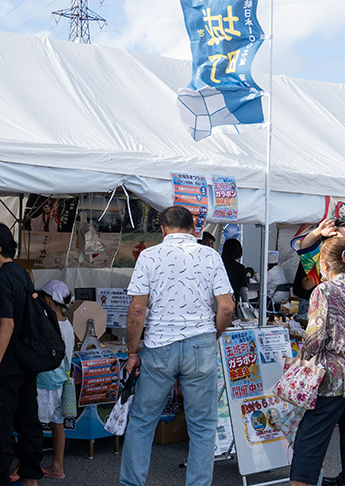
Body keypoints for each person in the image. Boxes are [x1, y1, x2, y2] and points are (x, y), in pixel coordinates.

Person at [120, 206, 234, 486]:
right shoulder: (210, 256)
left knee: (143, 422)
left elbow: (137, 311)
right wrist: (213, 335)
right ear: (194, 228)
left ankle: (132, 483)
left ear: (162, 228)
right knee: (203, 427)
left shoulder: (149, 256)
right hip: (201, 345)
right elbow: (227, 307)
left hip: (160, 346)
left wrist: (132, 351)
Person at [289, 237, 345, 486]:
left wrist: (300, 359)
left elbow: (315, 338)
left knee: (309, 441)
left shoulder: (324, 290)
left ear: (324, 263)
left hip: (335, 377)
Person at [0, 222, 44, 486]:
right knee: (28, 420)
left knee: (0, 426)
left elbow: (8, 323)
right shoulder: (21, 274)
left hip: (8, 364)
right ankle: (30, 477)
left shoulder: (2, 277)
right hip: (27, 360)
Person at [35, 280, 76, 480]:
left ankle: (25, 467)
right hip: (61, 380)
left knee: (35, 425)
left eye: (43, 297)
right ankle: (57, 466)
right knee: (56, 423)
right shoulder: (67, 324)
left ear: (49, 300)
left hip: (46, 381)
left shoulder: (48, 324)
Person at [222, 238, 248, 302]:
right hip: (232, 300)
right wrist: (245, 303)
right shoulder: (240, 268)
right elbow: (243, 289)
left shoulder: (217, 264)